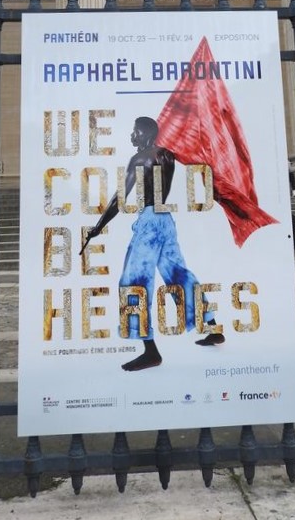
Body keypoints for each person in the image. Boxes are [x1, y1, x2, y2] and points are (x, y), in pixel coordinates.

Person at [81, 116, 224, 372]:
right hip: (165, 219)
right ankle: (213, 328)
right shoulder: (168, 156)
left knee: (133, 282)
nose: (132, 136)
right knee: (179, 275)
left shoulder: (140, 158)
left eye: (135, 131)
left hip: (149, 221)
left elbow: (119, 198)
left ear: (146, 133)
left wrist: (98, 226)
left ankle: (150, 352)